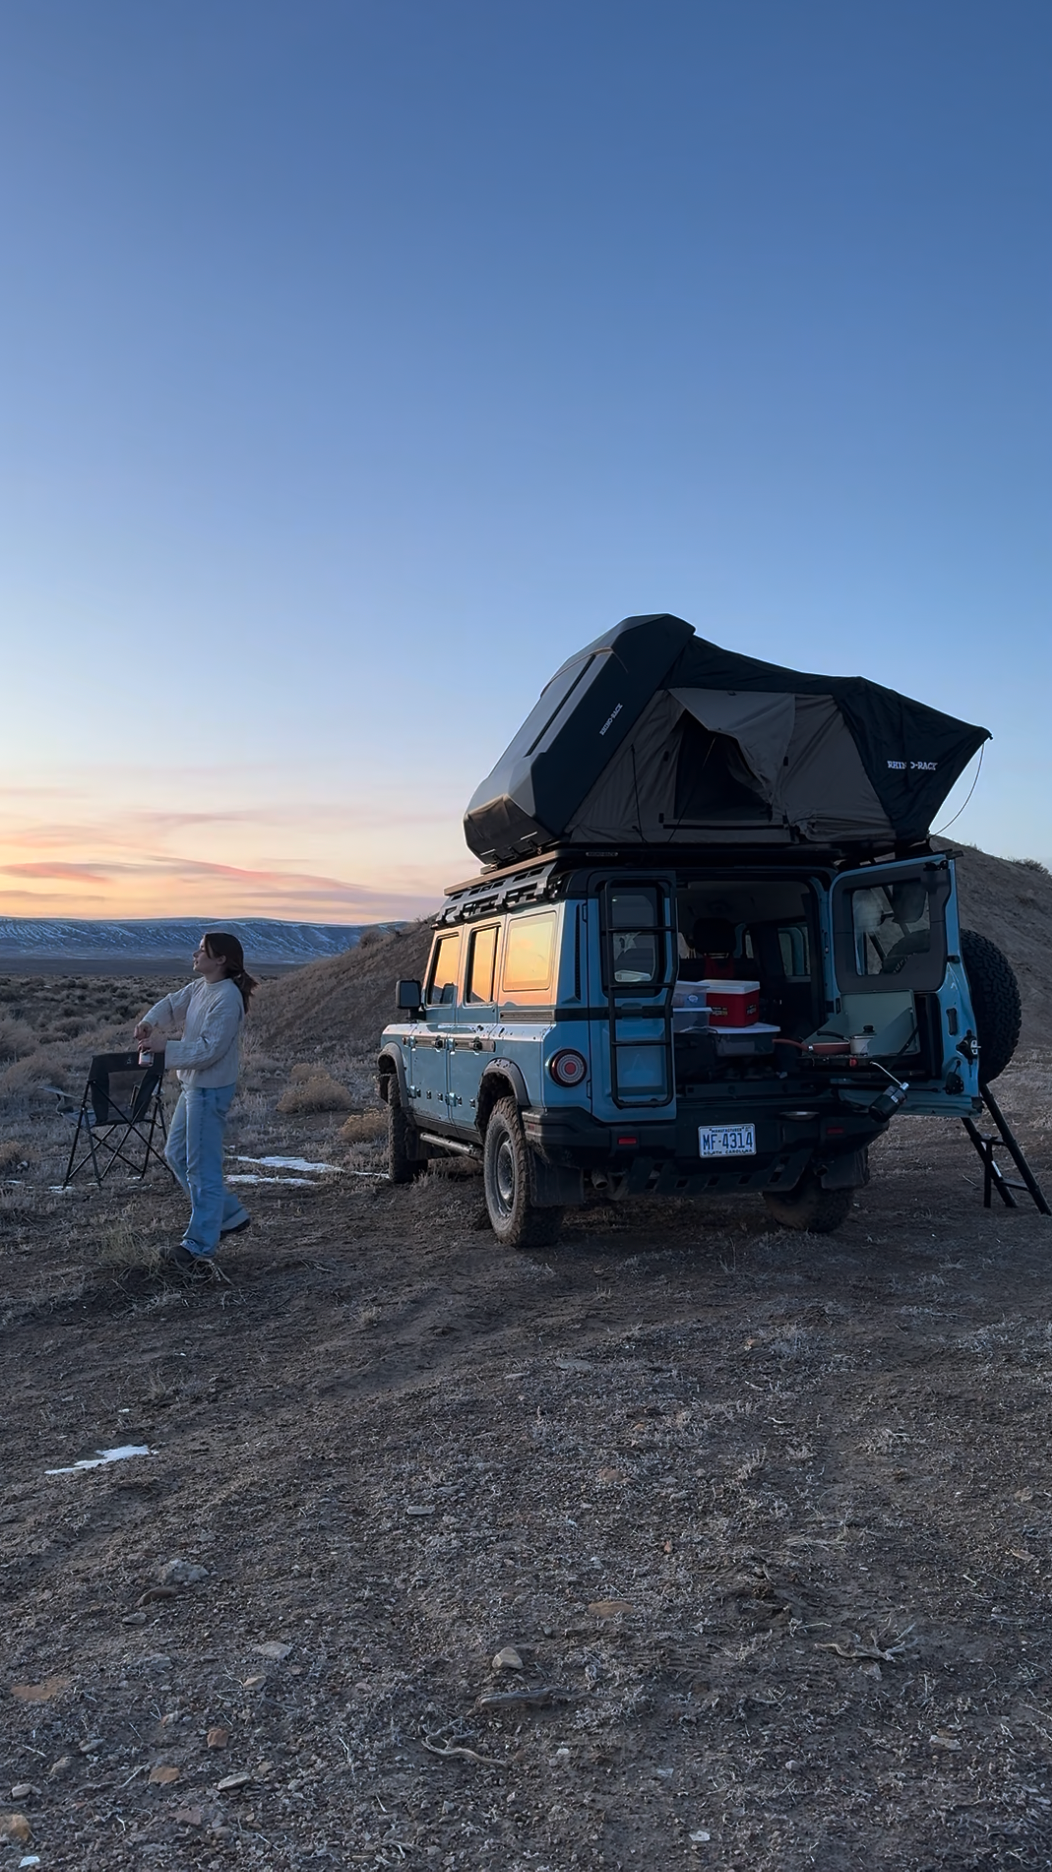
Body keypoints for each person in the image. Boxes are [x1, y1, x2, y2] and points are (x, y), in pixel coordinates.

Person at [134, 931, 258, 1273]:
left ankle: (199, 1244)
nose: (195, 954)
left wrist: (166, 1048)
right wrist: (149, 1022)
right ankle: (229, 1216)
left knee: (202, 1167)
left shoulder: (227, 998)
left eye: (203, 950)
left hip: (209, 1089)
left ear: (220, 959)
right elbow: (173, 1004)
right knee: (178, 1154)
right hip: (194, 1087)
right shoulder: (202, 987)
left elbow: (209, 1050)